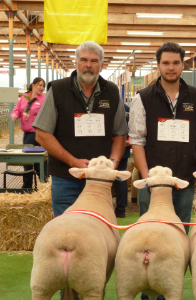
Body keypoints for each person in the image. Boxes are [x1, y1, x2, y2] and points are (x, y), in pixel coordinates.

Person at [129, 42, 196, 300]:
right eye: (166, 63)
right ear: (158, 65)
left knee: (179, 240)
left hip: (184, 181)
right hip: (154, 184)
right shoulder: (143, 97)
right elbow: (137, 141)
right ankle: (147, 298)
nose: (171, 67)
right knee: (147, 239)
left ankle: (173, 293)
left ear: (183, 65)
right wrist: (148, 177)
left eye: (176, 63)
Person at [33, 41, 127, 216]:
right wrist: (73, 162)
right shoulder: (58, 89)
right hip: (66, 178)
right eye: (84, 60)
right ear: (76, 63)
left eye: (94, 61)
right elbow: (42, 134)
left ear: (101, 65)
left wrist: (112, 163)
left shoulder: (112, 92)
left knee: (98, 229)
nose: (88, 65)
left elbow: (120, 133)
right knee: (65, 232)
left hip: (100, 180)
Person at [11, 77, 46, 188]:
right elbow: (17, 109)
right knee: (31, 160)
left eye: (43, 86)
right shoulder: (24, 98)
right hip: (26, 134)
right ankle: (41, 184)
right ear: (33, 85)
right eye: (40, 85)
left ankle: (29, 186)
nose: (42, 88)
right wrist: (15, 115)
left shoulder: (43, 99)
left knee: (30, 159)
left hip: (36, 133)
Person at [114, 103, 130, 218]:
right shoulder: (126, 108)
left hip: (111, 147)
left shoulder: (110, 105)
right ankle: (121, 210)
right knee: (120, 179)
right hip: (123, 148)